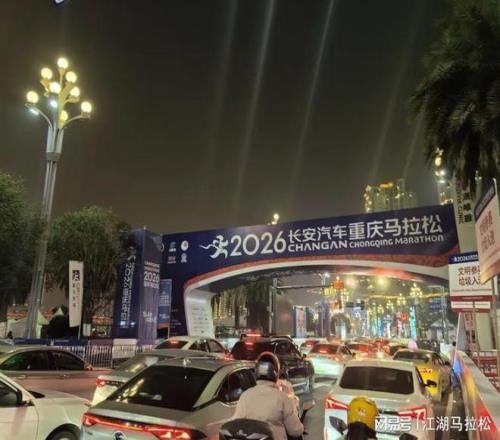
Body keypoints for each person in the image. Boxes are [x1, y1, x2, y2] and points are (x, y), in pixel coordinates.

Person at [232, 358, 304, 440]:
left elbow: (235, 424)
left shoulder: (245, 396)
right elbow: (295, 430)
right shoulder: (282, 397)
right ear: (275, 375)